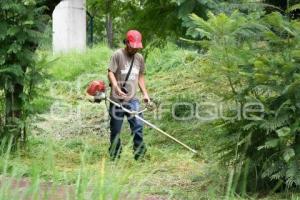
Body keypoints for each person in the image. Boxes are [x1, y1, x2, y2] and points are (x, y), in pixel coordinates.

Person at [107, 30, 150, 160]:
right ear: (127, 43)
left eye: (138, 47)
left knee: (138, 127)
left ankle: (140, 155)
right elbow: (110, 73)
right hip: (117, 100)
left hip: (133, 100)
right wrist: (116, 87)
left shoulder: (139, 58)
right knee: (116, 131)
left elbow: (140, 76)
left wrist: (145, 94)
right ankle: (115, 156)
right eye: (133, 46)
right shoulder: (117, 55)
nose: (135, 49)